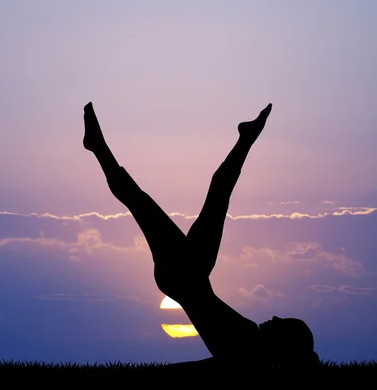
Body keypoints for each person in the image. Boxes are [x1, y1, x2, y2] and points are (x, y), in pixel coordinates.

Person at [83, 101, 319, 370]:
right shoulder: (249, 345)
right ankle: (246, 138)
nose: (275, 316)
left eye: (283, 323)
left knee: (146, 202)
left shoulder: (249, 347)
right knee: (199, 194)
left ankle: (99, 148)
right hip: (188, 274)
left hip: (185, 275)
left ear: (283, 342)